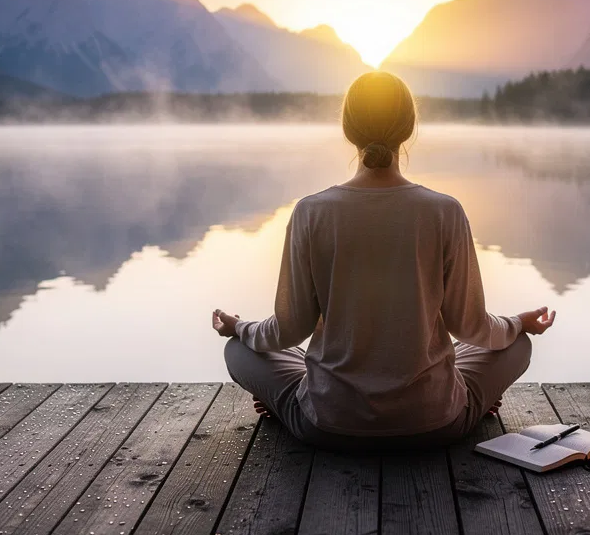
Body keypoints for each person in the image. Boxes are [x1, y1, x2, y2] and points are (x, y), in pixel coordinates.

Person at [213, 71, 555, 451]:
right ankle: (471, 403)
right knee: (516, 343)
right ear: (408, 128)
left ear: (348, 129)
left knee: (240, 349)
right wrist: (516, 324)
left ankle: (287, 405)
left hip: (328, 422)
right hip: (435, 422)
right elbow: (471, 327)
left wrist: (238, 327)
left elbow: (288, 331)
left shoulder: (312, 212)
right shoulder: (444, 211)